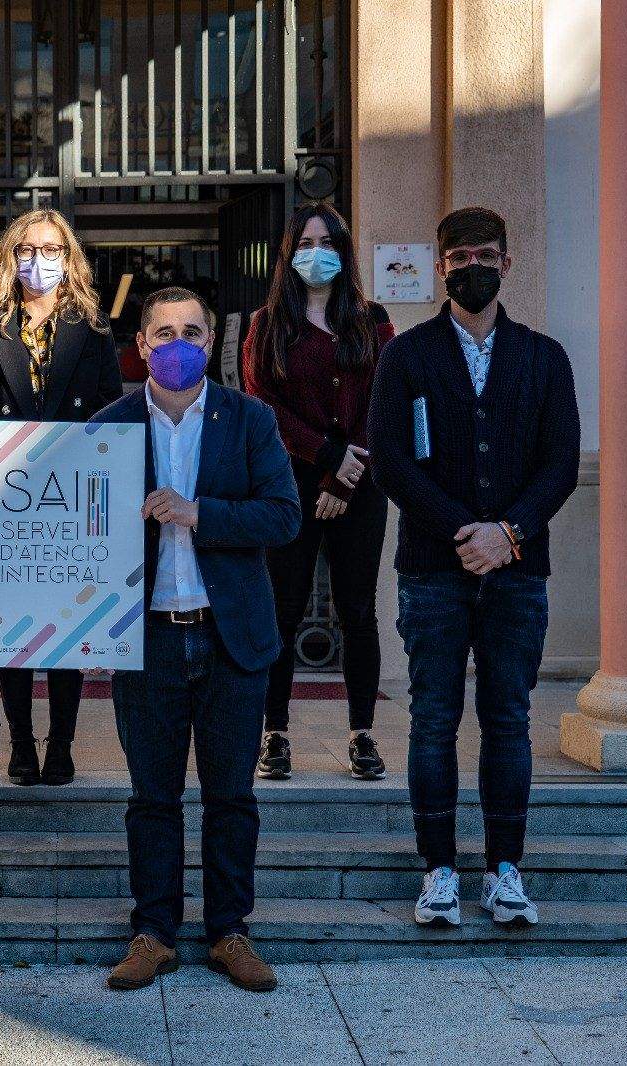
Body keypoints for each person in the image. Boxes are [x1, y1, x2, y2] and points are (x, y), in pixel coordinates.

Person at [368, 206, 580, 930]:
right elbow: (391, 461)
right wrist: (465, 532)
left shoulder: (544, 357)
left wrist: (508, 534)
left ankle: (503, 871)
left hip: (519, 571)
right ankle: (437, 873)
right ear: (440, 268)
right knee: (432, 720)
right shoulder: (407, 355)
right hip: (433, 569)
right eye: (457, 259)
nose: (471, 268)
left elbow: (561, 463)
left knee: (509, 720)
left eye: (484, 255)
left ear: (507, 262)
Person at [93, 287, 301, 995]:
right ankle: (152, 933)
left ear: (212, 340)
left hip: (230, 637)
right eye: (163, 332)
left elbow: (282, 517)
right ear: (141, 344)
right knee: (152, 796)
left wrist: (197, 513)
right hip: (145, 639)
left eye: (191, 331)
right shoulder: (108, 425)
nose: (177, 343)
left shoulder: (250, 420)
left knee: (231, 796)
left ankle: (228, 932)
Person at [0, 208, 122, 787]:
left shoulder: (94, 328)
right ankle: (21, 745)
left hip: (71, 494)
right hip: (5, 491)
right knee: (15, 628)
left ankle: (62, 745)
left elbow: (110, 411)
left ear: (68, 257)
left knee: (66, 628)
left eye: (51, 249)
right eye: (28, 249)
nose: (39, 260)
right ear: (11, 257)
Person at [242, 204, 395, 782]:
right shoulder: (268, 325)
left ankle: (362, 734)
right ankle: (274, 732)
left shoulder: (373, 321)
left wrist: (345, 475)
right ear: (288, 252)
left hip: (361, 485)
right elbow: (263, 407)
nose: (316, 251)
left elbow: (385, 401)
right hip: (290, 486)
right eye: (305, 242)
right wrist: (328, 461)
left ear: (344, 249)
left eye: (327, 240)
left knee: (357, 610)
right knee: (282, 609)